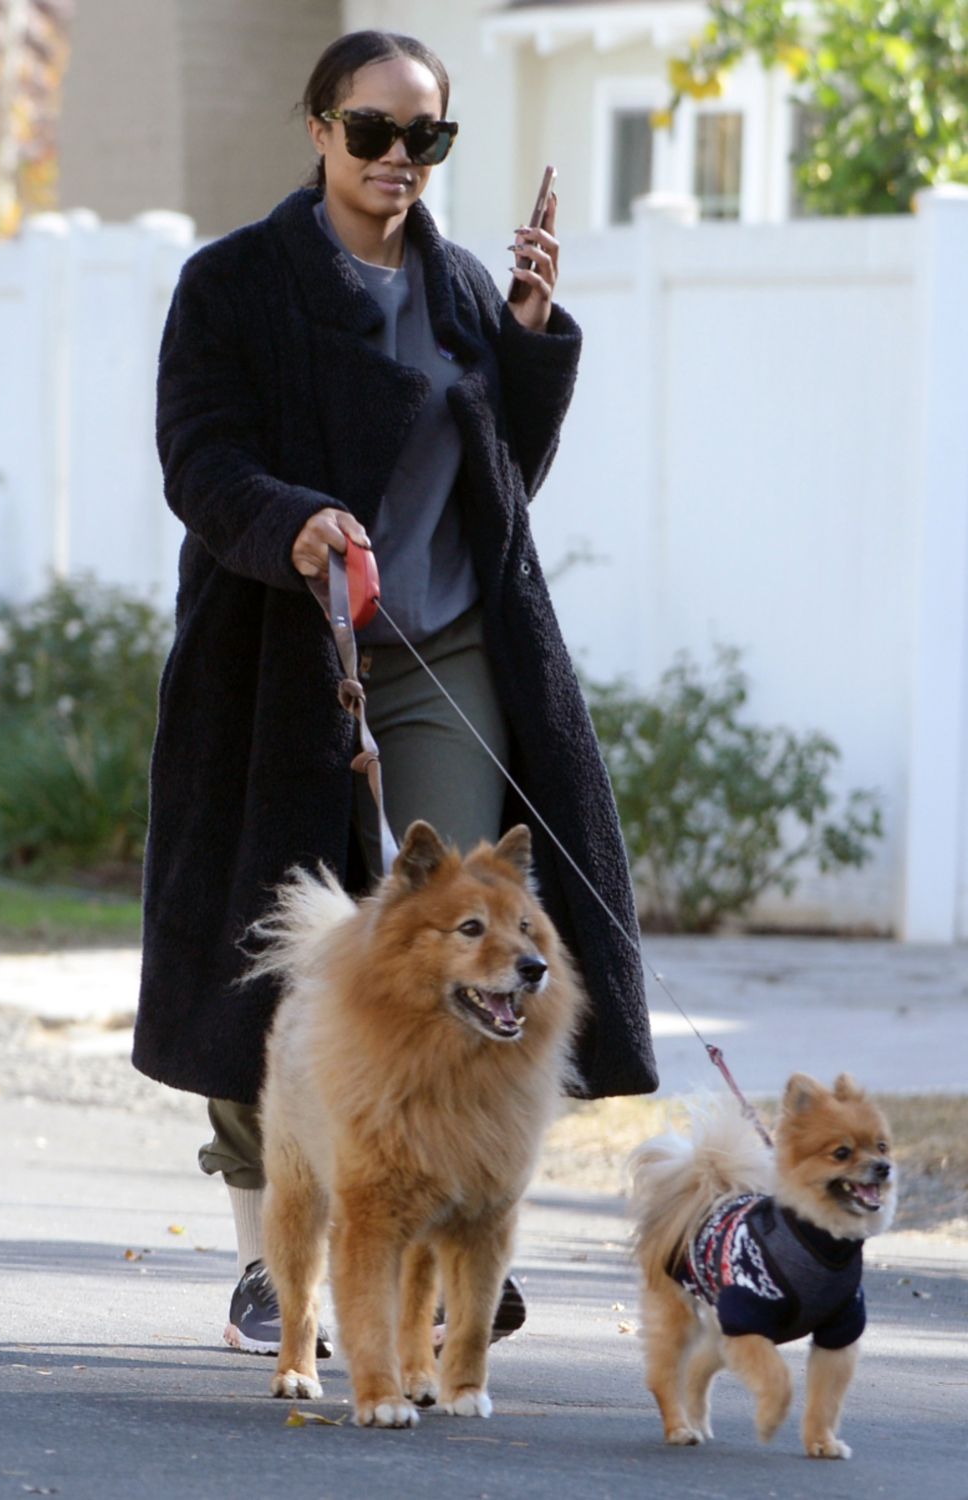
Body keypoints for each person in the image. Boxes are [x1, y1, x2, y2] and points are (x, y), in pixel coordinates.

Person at [134, 28, 658, 1358]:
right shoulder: (235, 285)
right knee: (290, 948)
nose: (398, 161)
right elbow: (198, 457)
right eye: (373, 133)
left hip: (446, 652)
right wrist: (295, 518)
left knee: (466, 945)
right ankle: (269, 1260)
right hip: (277, 656)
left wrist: (528, 342)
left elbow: (502, 483)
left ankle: (442, 1232)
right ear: (319, 130)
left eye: (425, 139)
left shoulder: (461, 287)